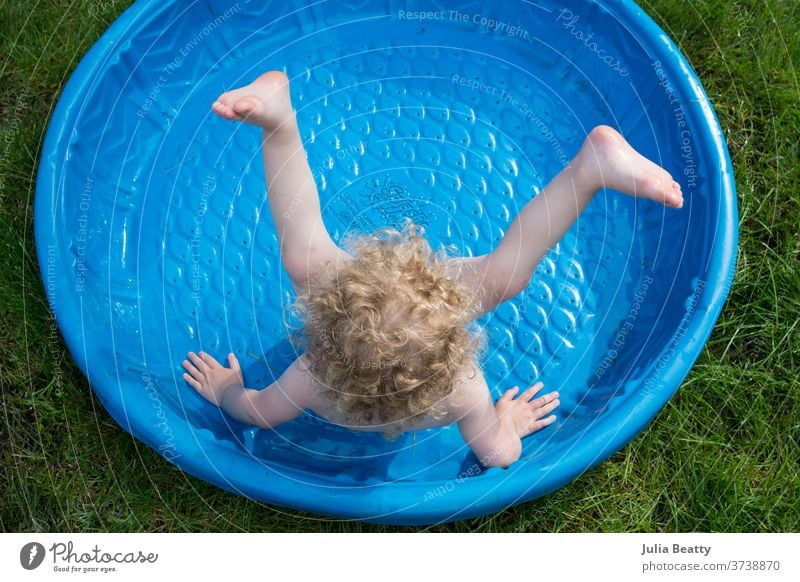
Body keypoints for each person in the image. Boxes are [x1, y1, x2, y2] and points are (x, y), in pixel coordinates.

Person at [182, 70, 683, 470]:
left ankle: (278, 120)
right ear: (455, 339)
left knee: (303, 250)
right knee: (503, 275)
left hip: (387, 301)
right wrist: (505, 422)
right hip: (398, 302)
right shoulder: (462, 389)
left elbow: (255, 413)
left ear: (328, 316)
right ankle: (591, 168)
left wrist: (227, 388)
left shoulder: (311, 377)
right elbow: (499, 454)